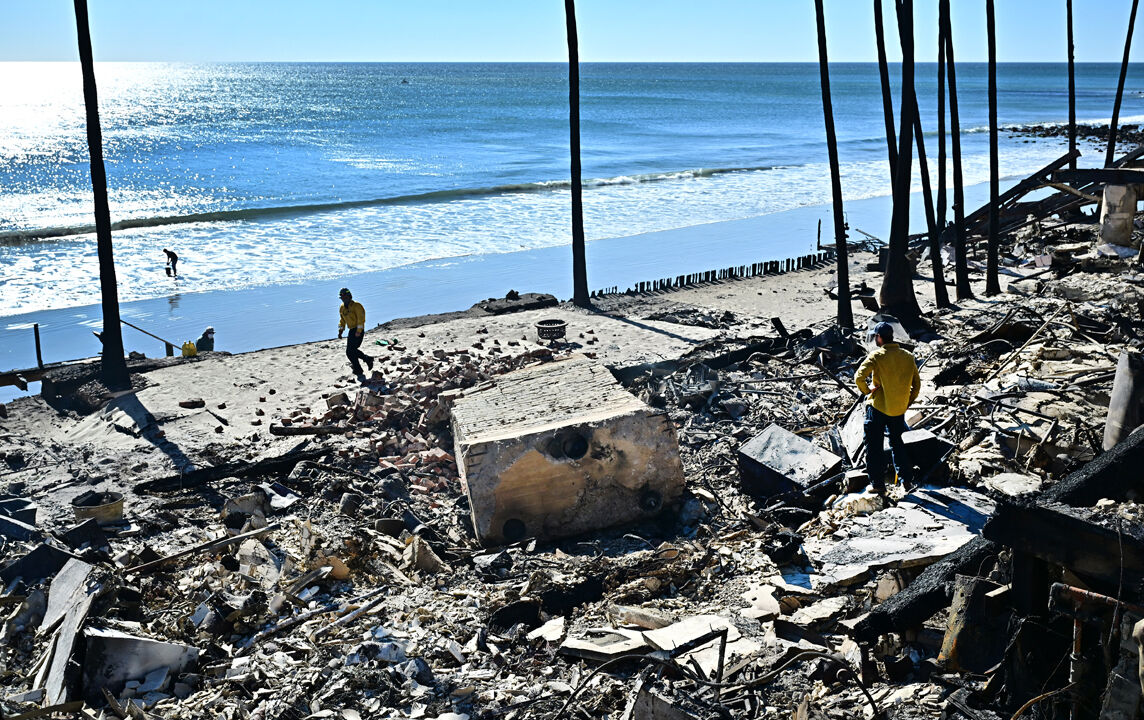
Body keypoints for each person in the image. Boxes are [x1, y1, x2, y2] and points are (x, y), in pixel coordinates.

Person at [854, 322, 921, 493]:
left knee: (873, 446)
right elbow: (917, 385)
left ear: (880, 338)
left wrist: (867, 391)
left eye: (875, 336)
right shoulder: (907, 356)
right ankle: (906, 482)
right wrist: (906, 402)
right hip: (898, 410)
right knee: (898, 445)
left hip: (877, 408)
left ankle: (878, 485)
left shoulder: (877, 356)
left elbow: (859, 378)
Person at [337, 288, 374, 376]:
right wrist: (340, 330)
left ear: (349, 296)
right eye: (342, 297)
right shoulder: (342, 307)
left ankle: (360, 367)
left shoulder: (357, 306)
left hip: (358, 330)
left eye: (345, 296)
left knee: (350, 351)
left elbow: (361, 319)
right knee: (350, 352)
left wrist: (359, 331)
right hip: (351, 330)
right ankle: (364, 362)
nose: (343, 298)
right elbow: (342, 320)